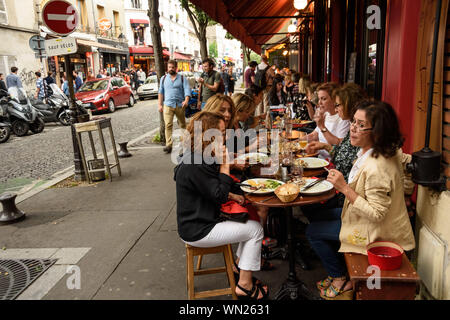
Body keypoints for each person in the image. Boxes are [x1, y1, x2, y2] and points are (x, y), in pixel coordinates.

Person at [306, 100, 415, 300]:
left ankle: (340, 278)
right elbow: (405, 160)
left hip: (377, 231)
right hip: (361, 215)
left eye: (360, 125)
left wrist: (344, 188)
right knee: (318, 216)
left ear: (378, 132)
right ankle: (341, 273)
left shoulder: (377, 167)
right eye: (353, 122)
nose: (353, 128)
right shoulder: (380, 150)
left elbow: (377, 214)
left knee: (312, 231)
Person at [174, 111, 269, 300]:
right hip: (198, 229)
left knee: (249, 221)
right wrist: (225, 165)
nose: (225, 136)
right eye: (222, 132)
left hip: (202, 221)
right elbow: (219, 195)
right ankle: (244, 285)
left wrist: (246, 189)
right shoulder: (195, 163)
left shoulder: (199, 156)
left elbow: (217, 185)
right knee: (255, 230)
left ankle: (241, 269)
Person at [301, 82, 350, 160]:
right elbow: (314, 135)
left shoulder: (343, 118)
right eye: (319, 98)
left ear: (334, 100)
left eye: (323, 99)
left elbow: (339, 145)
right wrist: (294, 142)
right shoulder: (326, 114)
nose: (319, 102)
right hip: (319, 157)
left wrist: (322, 126)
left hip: (331, 162)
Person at [158, 60, 191, 154]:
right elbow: (160, 92)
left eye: (173, 67)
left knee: (182, 124)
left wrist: (186, 100)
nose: (171, 69)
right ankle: (169, 145)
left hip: (180, 105)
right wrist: (159, 104)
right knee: (168, 125)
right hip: (168, 105)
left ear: (176, 68)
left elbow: (187, 90)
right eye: (169, 67)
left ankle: (184, 143)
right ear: (167, 68)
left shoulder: (182, 78)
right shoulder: (163, 78)